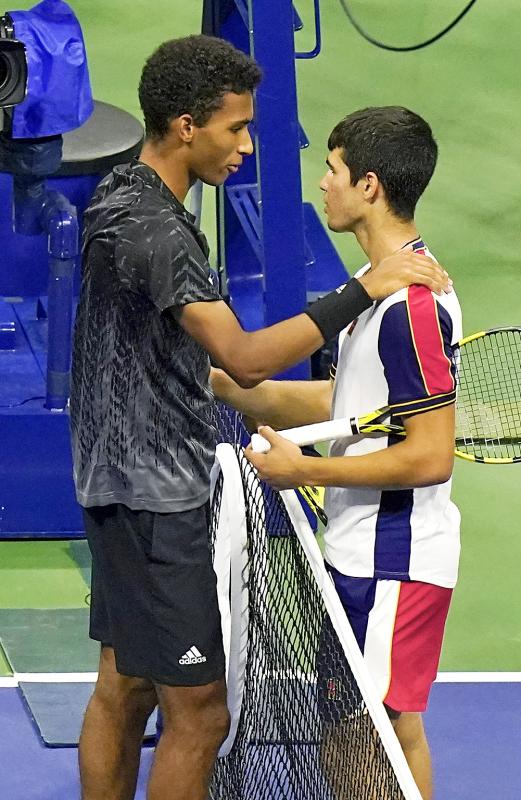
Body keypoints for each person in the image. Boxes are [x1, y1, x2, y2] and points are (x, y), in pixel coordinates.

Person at [70, 32, 452, 800]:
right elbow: (244, 357)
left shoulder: (123, 193)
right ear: (186, 126)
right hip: (156, 499)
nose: (247, 145)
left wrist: (237, 397)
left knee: (126, 683)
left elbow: (242, 380)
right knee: (201, 717)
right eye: (235, 127)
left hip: (121, 485)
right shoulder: (158, 231)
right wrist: (362, 287)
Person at [215, 106, 461, 800]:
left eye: (332, 169)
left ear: (370, 186)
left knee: (361, 737)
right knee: (386, 730)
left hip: (391, 561)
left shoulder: (411, 303)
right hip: (363, 552)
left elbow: (428, 455)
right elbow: (348, 404)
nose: (322, 183)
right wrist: (231, 387)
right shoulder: (378, 285)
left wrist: (304, 471)